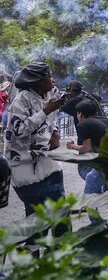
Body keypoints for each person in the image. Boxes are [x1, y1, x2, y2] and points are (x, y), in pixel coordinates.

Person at [3, 62, 68, 236]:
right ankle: (32, 257)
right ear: (39, 82)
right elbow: (19, 131)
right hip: (23, 165)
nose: (52, 80)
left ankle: (64, 256)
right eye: (48, 77)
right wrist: (45, 111)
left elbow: (53, 120)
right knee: (38, 223)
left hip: (46, 159)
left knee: (62, 216)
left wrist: (55, 133)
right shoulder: (20, 100)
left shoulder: (51, 93)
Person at [66, 100, 108, 220]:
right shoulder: (106, 120)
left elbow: (87, 148)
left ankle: (97, 227)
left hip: (105, 163)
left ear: (80, 114)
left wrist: (72, 146)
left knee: (88, 196)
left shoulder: (83, 124)